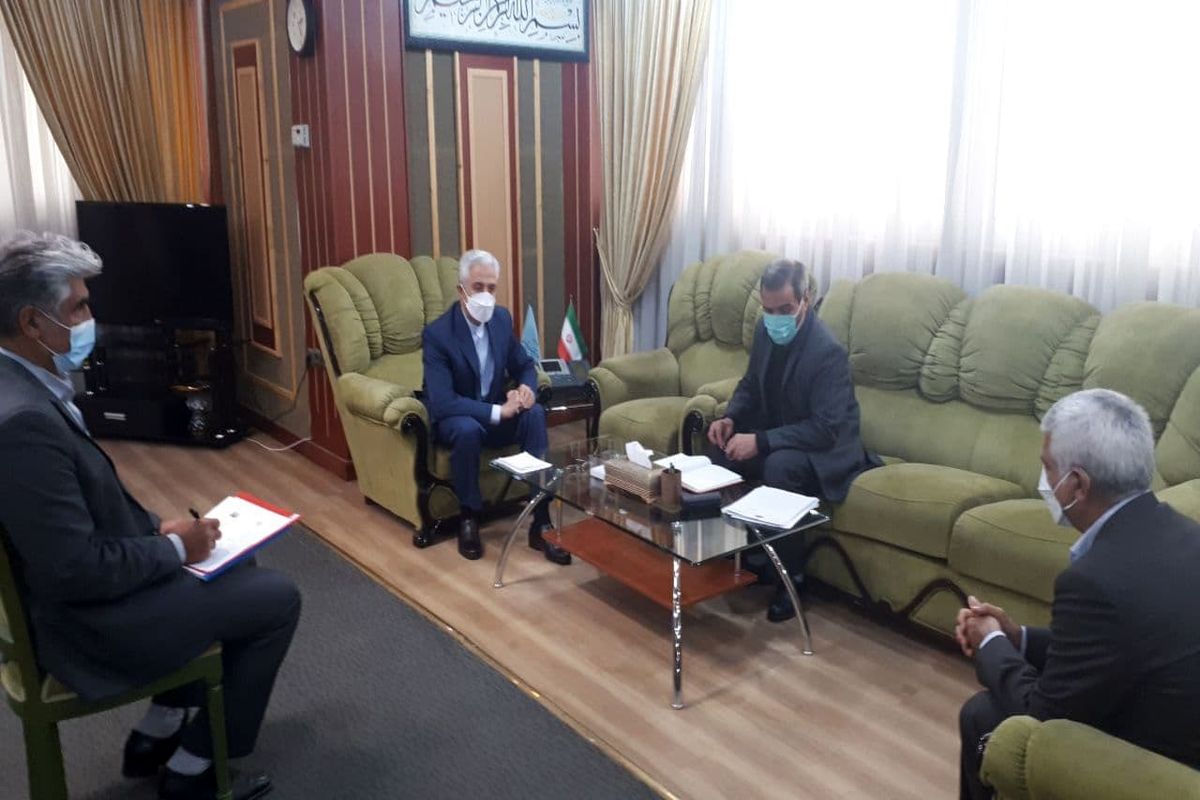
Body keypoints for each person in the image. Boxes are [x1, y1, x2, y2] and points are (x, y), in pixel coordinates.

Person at [0, 232, 300, 800]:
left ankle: (159, 731)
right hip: (86, 627)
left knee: (237, 558)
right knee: (278, 599)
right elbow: (73, 570)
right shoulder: (22, 425)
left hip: (79, 596)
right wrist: (173, 548)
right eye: (78, 307)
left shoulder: (18, 386)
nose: (90, 319)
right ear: (32, 323)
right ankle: (199, 769)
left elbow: (73, 520)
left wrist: (157, 533)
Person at [956, 388, 1200, 800]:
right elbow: (1113, 643)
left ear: (1078, 485)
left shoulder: (1094, 579)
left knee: (985, 717)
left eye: (1048, 468)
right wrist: (1018, 637)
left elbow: (1041, 715)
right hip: (1178, 722)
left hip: (1158, 762)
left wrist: (990, 642)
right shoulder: (1184, 532)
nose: (1045, 481)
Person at [705, 259, 878, 622]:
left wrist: (761, 440)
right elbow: (750, 384)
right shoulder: (764, 330)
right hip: (781, 433)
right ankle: (740, 555)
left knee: (780, 466)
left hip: (826, 449)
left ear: (805, 300)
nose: (776, 318)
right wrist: (730, 417)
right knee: (720, 451)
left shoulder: (827, 352)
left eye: (784, 309)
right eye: (768, 310)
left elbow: (825, 429)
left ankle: (792, 579)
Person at [421, 249, 570, 565]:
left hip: (494, 411)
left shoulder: (501, 319)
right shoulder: (438, 334)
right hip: (457, 418)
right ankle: (469, 516)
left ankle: (541, 520)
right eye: (478, 287)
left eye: (492, 287)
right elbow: (443, 402)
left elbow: (524, 364)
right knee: (467, 429)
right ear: (461, 290)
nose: (485, 295)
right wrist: (497, 411)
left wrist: (526, 388)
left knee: (534, 414)